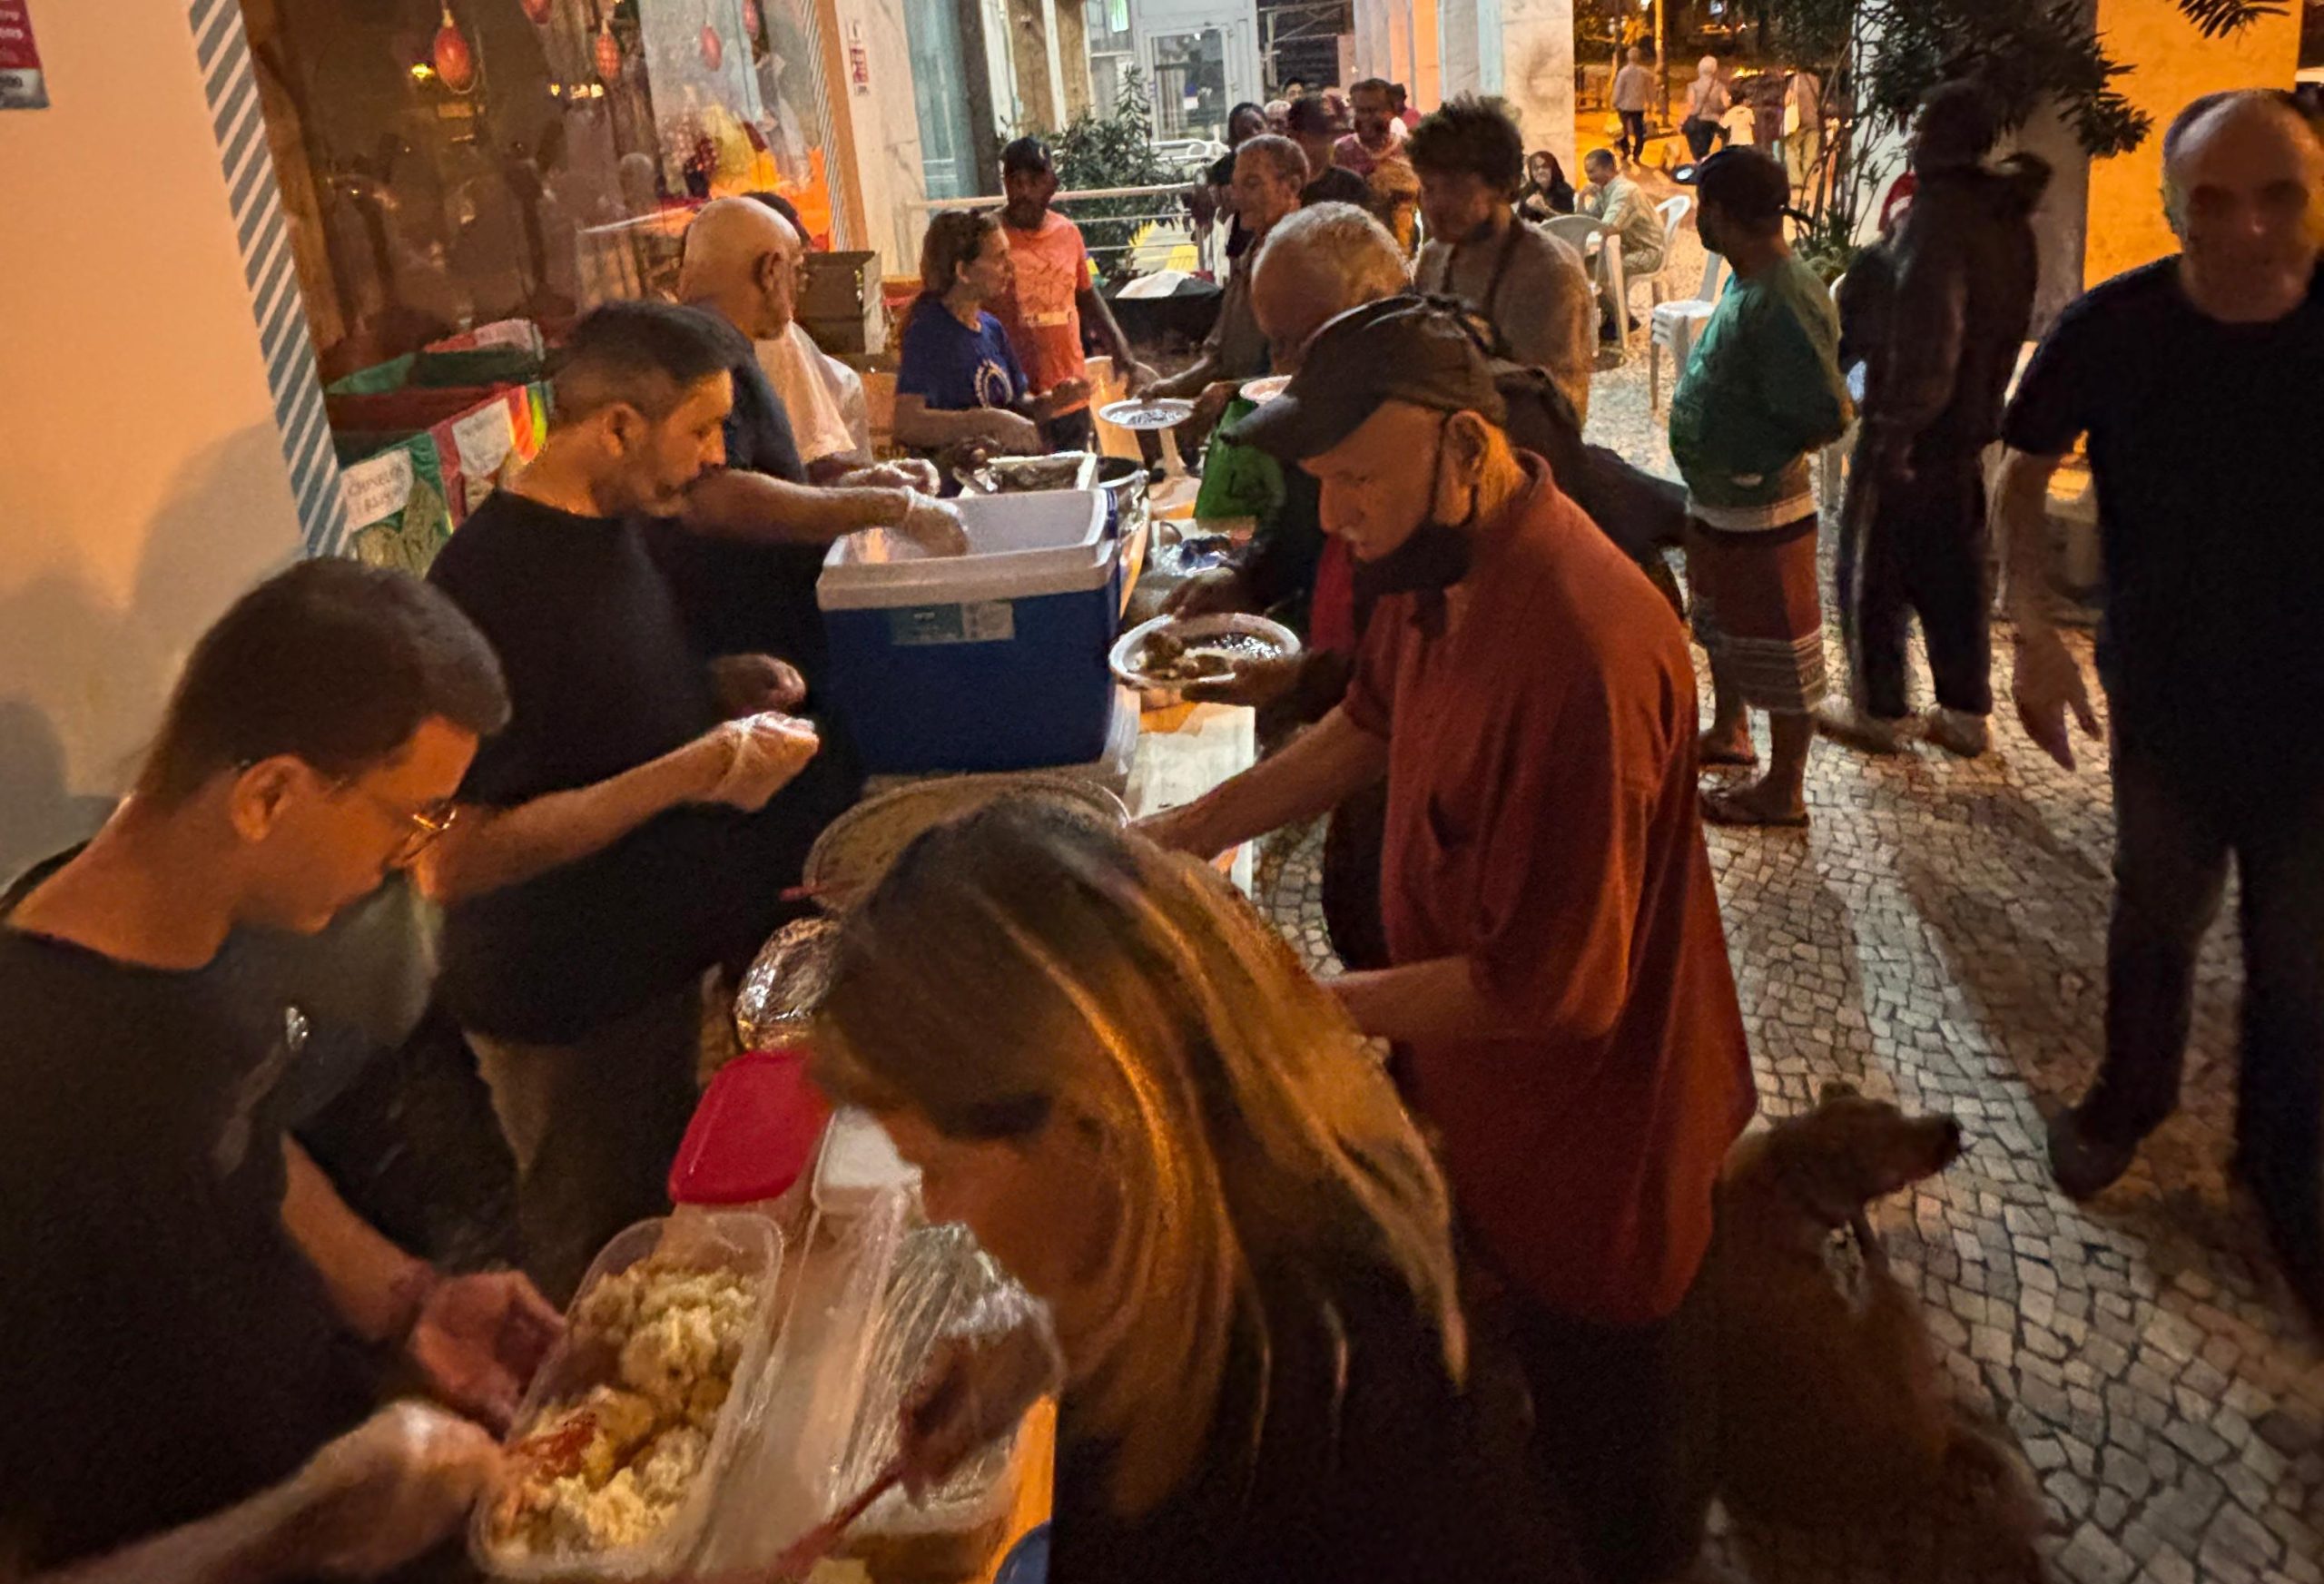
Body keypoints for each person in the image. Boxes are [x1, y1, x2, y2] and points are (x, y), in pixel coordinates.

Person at [1145, 298, 1756, 1584]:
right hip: (1495, 1125)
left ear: (1468, 446)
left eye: (1359, 479)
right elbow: (1367, 720)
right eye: (1325, 484)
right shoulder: (1434, 564)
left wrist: (1305, 1007)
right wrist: (1192, 827)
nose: (1341, 513)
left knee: (1623, 1484)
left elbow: (1557, 994)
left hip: (1604, 1149)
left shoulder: (1581, 640)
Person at [813, 807, 1572, 1584]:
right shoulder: (1256, 1165)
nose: (935, 1207)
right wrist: (1030, 1344)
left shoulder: (1274, 1434)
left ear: (1090, 1122)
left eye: (935, 1164)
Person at [0, 559, 562, 1572]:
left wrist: (412, 1299)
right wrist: (316, 1518)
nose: (413, 855)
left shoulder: (209, 933)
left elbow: (245, 1137)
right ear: (269, 793)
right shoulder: (28, 1082)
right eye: (412, 815)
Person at [424, 303, 830, 1299]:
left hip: (650, 970)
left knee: (663, 1230)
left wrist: (722, 683)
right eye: (698, 429)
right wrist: (695, 767)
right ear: (615, 426)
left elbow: (602, 708)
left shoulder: (623, 526)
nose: (716, 454)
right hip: (562, 1001)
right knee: (588, 1259)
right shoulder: (485, 582)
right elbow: (454, 855)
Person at [2003, 90, 2324, 1323]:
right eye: (2215, 203)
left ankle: (2283, 1167)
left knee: (2302, 964)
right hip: (2174, 703)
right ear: (2172, 207)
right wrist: (2032, 631)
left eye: (2280, 196)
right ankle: (2127, 1099)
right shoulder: (2113, 330)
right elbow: (2021, 481)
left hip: (2317, 728)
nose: (2248, 229)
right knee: (2156, 919)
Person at [1822, 83, 2047, 760]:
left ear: (1936, 138)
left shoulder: (1938, 222)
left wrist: (1892, 434)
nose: (1912, 134)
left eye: (1919, 123)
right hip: (1965, 435)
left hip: (1913, 435)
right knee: (1955, 574)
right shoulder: (2007, 219)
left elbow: (1929, 343)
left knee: (1873, 576)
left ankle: (1879, 708)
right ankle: (1964, 708)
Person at [1669, 148, 1851, 829]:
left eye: (1699, 206)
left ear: (1719, 213)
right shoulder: (1752, 280)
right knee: (1724, 627)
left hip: (1763, 512)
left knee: (1780, 646)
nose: (1694, 217)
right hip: (1723, 505)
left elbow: (1827, 412)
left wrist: (1753, 458)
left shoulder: (1784, 295)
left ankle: (1785, 788)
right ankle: (1730, 731)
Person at [1411, 95, 1597, 423]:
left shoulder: (1549, 273)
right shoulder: (1433, 258)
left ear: (1505, 186)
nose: (1434, 205)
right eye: (1428, 188)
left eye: (1454, 187)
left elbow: (1558, 406)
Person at [993, 137, 1157, 451]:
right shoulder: (989, 235)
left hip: (1070, 393)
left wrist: (1125, 356)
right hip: (1013, 400)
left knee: (1075, 480)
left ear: (1052, 184)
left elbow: (1088, 297)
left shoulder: (1068, 233)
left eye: (1035, 181)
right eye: (1016, 182)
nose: (1025, 192)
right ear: (1006, 183)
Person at [1144, 135, 1309, 435]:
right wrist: (1172, 387)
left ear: (1293, 187)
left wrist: (1230, 391)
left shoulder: (1304, 256)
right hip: (1244, 428)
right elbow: (1219, 355)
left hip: (1286, 432)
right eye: (1236, 185)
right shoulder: (1252, 253)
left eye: (1253, 184)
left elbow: (1305, 371)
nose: (1239, 197)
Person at [895, 210, 1083, 459]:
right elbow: (908, 424)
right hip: (962, 487)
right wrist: (985, 421)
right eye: (999, 258)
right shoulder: (929, 333)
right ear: (963, 271)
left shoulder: (991, 328)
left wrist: (1051, 402)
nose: (1010, 266)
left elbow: (1018, 403)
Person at [743, 189, 874, 474]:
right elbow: (809, 462)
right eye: (798, 269)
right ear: (771, 271)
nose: (801, 284)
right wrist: (876, 487)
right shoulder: (774, 339)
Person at [1579, 147, 1669, 338]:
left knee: (1599, 271)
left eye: (1592, 171)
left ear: (1608, 169)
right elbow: (1585, 221)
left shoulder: (1625, 191)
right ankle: (1617, 316)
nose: (1588, 177)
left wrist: (1589, 226)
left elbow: (1607, 228)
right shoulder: (1604, 190)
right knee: (1584, 266)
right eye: (1587, 172)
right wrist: (1581, 198)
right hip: (1627, 248)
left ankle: (1621, 320)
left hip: (1648, 251)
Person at [1338, 78, 1421, 248]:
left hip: (1402, 252)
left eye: (1373, 111)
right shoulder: (1339, 152)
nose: (1364, 118)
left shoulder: (1410, 150)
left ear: (1392, 112)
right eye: (1359, 111)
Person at [1198, 103, 1274, 264]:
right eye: (1245, 132)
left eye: (1258, 126)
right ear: (1235, 141)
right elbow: (1205, 173)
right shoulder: (1231, 165)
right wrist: (1201, 187)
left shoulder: (1286, 157)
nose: (1255, 134)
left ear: (1268, 128)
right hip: (1244, 252)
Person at [1288, 93, 1373, 209]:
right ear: (1297, 136)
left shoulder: (1350, 185)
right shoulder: (1281, 187)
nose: (1333, 141)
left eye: (1337, 133)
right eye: (1323, 133)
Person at [1784, 66, 1825, 196]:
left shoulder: (1795, 80)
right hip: (1814, 121)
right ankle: (1806, 181)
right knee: (1810, 152)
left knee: (1791, 147)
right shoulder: (1816, 81)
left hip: (1797, 122)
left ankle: (1796, 181)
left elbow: (1787, 100)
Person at [1612, 47, 1655, 165]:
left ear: (1628, 57)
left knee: (1624, 131)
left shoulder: (1623, 72)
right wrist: (1650, 103)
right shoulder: (1644, 73)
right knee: (1639, 132)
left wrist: (1614, 102)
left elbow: (1618, 89)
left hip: (1624, 106)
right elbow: (1650, 90)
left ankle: (1625, 151)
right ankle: (1637, 154)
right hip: (1638, 107)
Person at [1681, 56, 1729, 162]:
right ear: (1714, 69)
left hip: (1697, 122)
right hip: (1714, 122)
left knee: (1698, 152)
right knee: (1706, 148)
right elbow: (1726, 104)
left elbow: (1691, 105)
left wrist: (1682, 119)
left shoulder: (1693, 86)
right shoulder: (1720, 86)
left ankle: (1699, 166)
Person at [1517, 149, 1577, 221]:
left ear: (1553, 169)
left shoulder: (1564, 191)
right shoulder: (1526, 191)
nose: (1540, 171)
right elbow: (1519, 220)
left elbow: (1570, 222)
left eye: (1545, 166)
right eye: (1536, 168)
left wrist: (1544, 209)